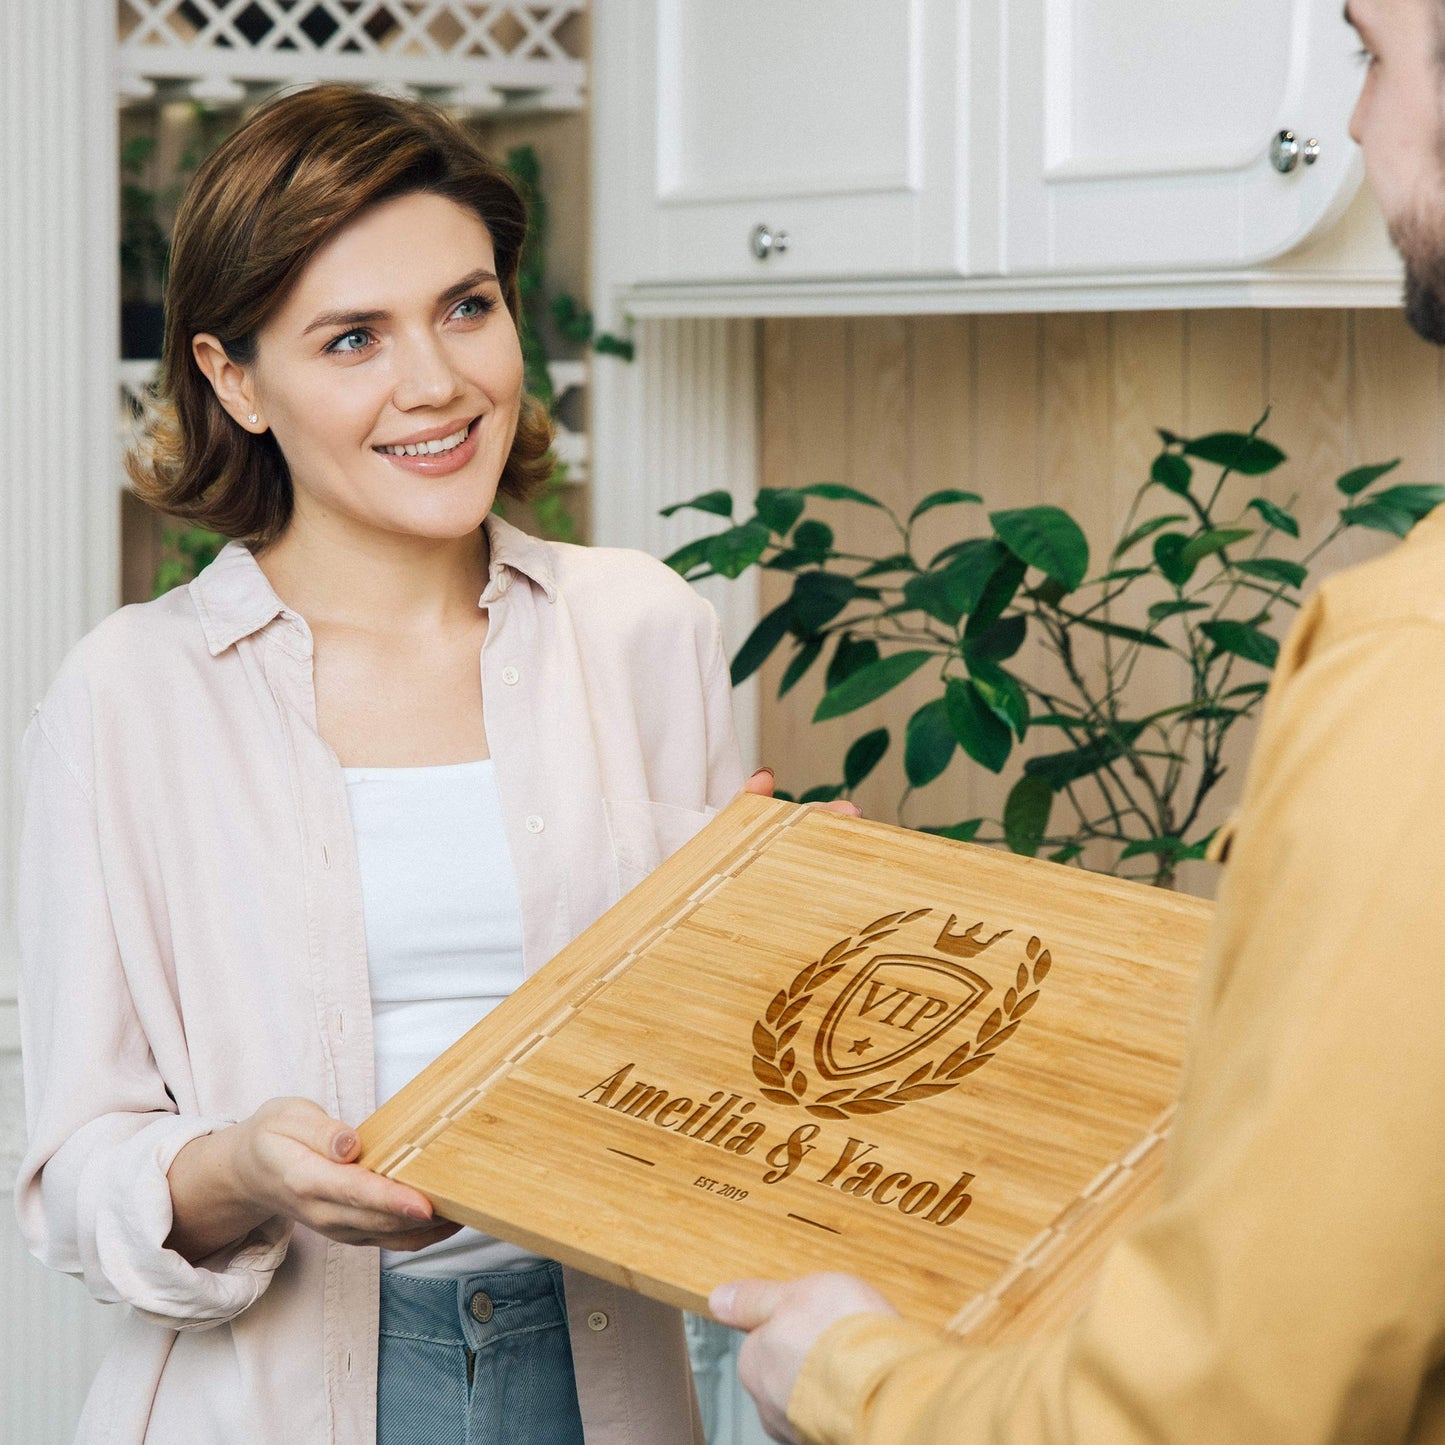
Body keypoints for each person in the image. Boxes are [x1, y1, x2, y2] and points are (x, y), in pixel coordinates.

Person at [13, 82, 847, 1445]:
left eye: (467, 306)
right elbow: (76, 1176)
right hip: (268, 1393)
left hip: (602, 1372)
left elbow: (706, 1095)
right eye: (352, 337)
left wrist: (796, 946)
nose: (437, 382)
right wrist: (240, 1166)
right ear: (235, 379)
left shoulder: (642, 629)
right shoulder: (128, 697)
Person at [710, 2, 1445, 1441]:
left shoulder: (1413, 666)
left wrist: (855, 1373)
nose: (1351, 122)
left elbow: (1223, 1410)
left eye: (1374, 52)